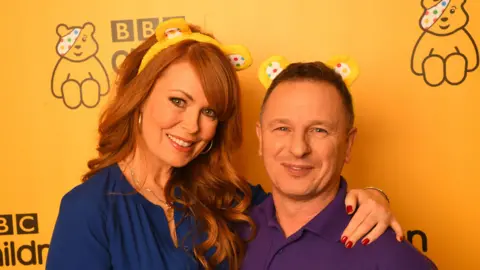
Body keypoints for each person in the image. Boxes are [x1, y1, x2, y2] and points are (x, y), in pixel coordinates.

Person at [46, 18, 403, 270]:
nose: (191, 126)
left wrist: (373, 196)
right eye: (178, 101)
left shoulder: (228, 198)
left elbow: (304, 199)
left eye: (210, 111)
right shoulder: (89, 210)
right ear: (139, 99)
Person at [241, 58, 437, 269]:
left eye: (319, 130)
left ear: (348, 144)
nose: (298, 149)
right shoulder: (232, 231)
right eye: (282, 128)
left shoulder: (393, 258)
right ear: (261, 138)